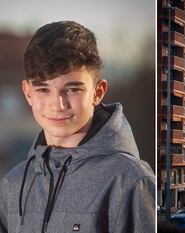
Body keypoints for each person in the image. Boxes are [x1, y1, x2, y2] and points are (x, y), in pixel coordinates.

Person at [0, 21, 155, 233]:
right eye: (43, 89)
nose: (58, 104)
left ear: (98, 92)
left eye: (72, 89)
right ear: (28, 93)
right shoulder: (12, 184)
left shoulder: (130, 181)